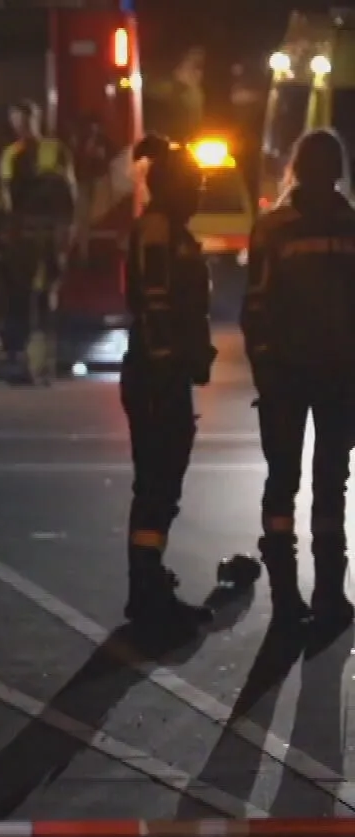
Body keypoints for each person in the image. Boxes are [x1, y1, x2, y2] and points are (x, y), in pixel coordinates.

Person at [242, 128, 355, 628]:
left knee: (282, 483)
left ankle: (287, 598)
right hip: (337, 377)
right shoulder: (350, 225)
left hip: (287, 376)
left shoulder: (273, 228)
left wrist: (265, 368)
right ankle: (330, 593)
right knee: (331, 486)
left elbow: (256, 306)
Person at [118, 136, 217, 630]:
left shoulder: (166, 227)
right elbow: (157, 303)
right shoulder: (159, 230)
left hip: (162, 374)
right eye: (194, 185)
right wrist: (171, 365)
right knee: (157, 483)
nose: (200, 194)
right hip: (159, 378)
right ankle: (146, 590)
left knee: (159, 484)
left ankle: (149, 582)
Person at [0, 100, 78, 384]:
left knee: (43, 300)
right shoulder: (11, 155)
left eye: (25, 119)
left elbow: (69, 196)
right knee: (22, 300)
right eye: (15, 120)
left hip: (46, 239)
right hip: (23, 241)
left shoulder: (55, 151)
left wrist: (66, 236)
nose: (20, 125)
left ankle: (41, 364)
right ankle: (28, 361)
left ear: (37, 118)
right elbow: (7, 201)